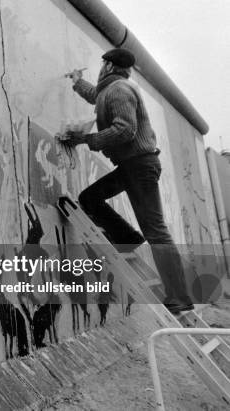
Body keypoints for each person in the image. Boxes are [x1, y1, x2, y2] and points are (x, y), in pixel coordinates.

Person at [64, 48, 193, 314]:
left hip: (139, 165)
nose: (99, 68)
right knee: (90, 198)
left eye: (102, 64)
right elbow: (96, 97)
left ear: (109, 67)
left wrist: (87, 140)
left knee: (156, 230)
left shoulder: (120, 90)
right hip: (132, 165)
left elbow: (126, 129)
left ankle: (180, 297)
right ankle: (127, 236)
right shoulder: (109, 90)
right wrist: (77, 81)